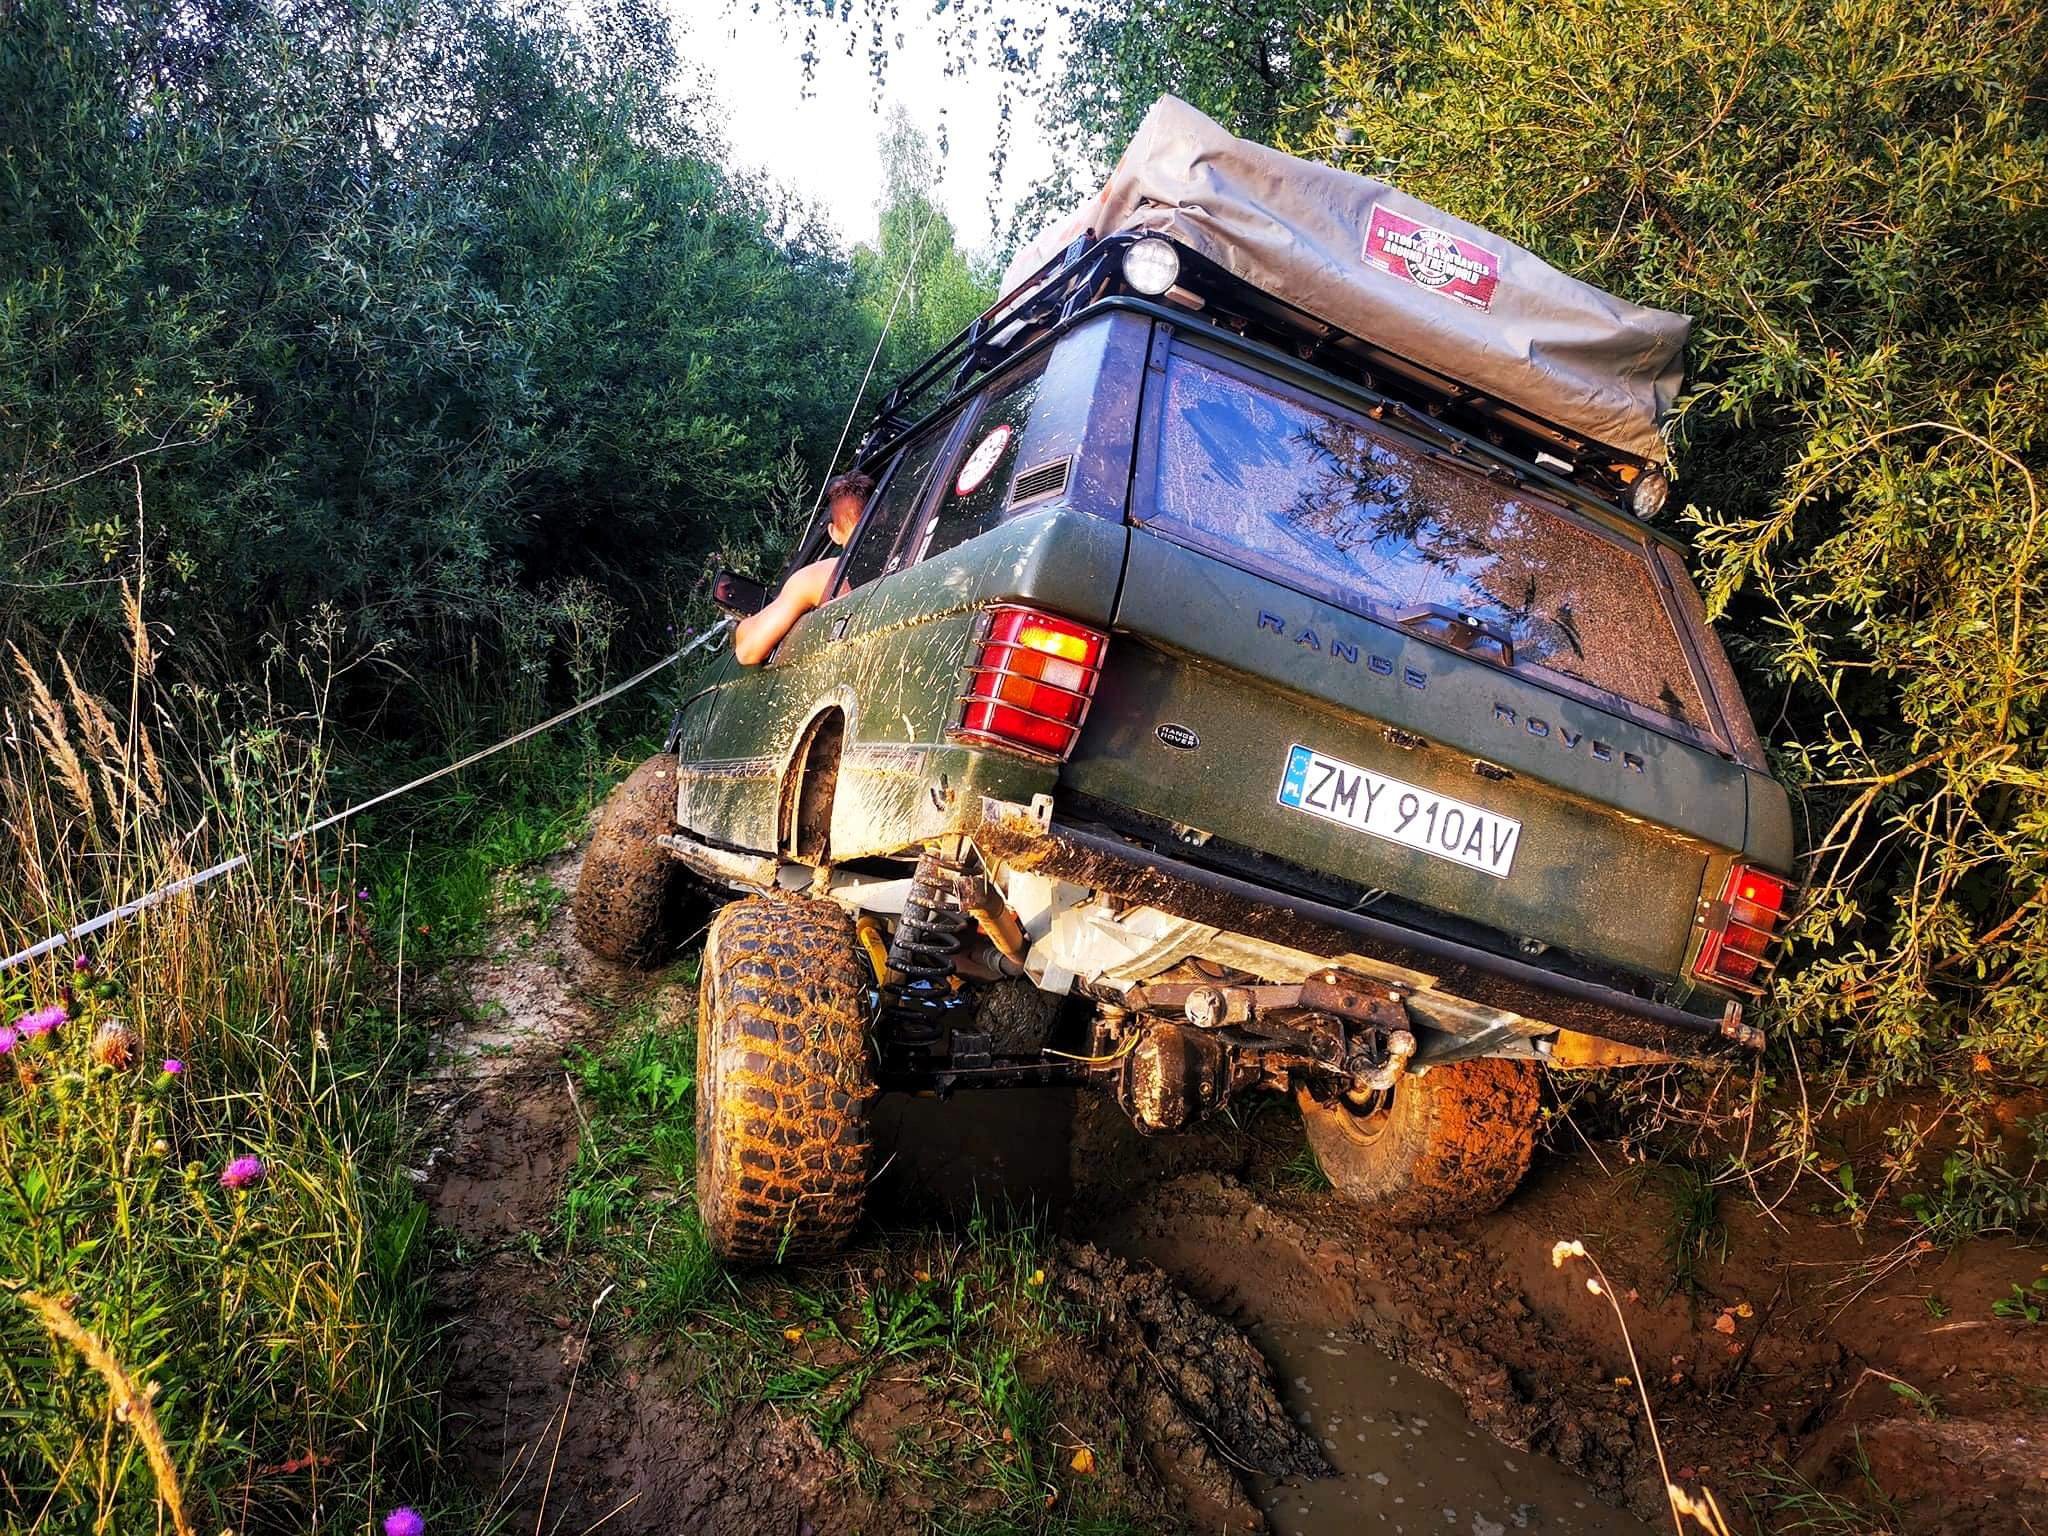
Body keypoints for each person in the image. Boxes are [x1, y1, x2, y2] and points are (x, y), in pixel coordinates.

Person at [733, 472, 876, 666]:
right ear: (885, 513)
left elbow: (748, 652)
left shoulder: (823, 576)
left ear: (833, 533)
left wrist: (743, 626)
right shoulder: (915, 552)